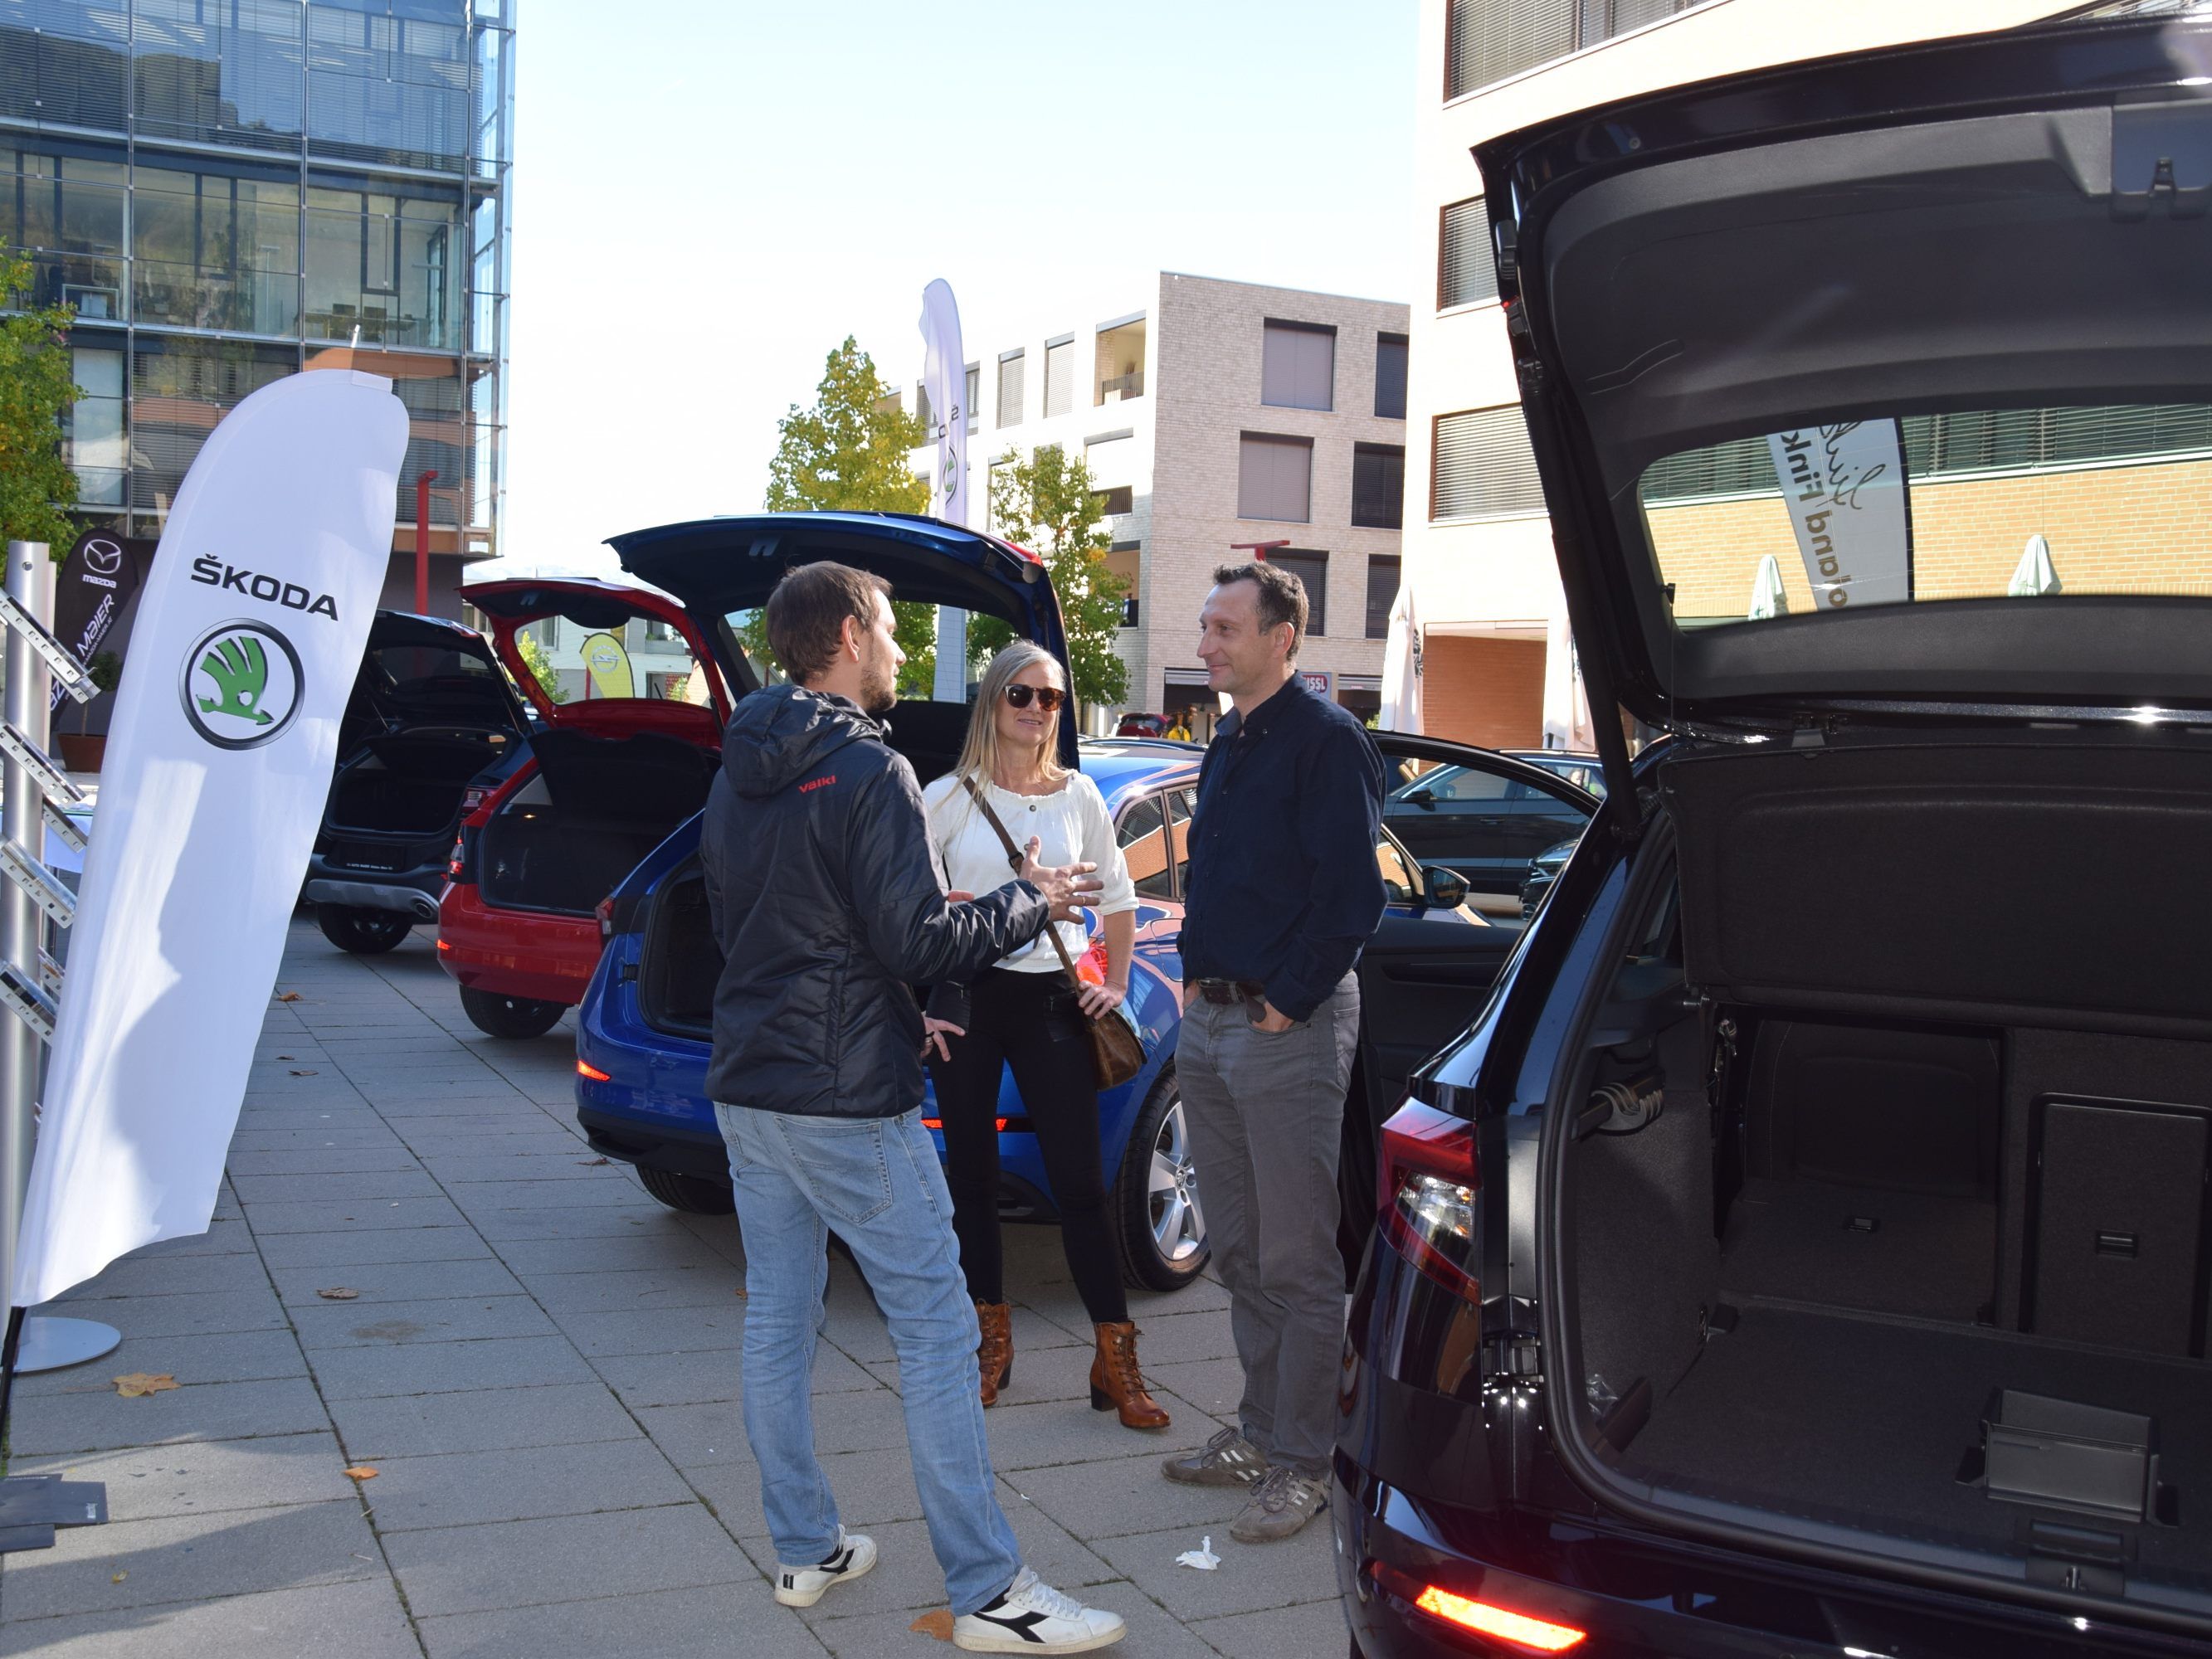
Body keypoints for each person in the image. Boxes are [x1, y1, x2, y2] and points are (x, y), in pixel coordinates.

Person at [700, 562, 1126, 1653]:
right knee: (938, 1329)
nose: (894, 650)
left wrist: (897, 1007)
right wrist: (1029, 897)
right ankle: (991, 1592)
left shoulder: (737, 767)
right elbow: (915, 939)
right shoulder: (870, 769)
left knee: (776, 1319)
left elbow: (761, 924)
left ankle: (805, 1550)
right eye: (888, 629)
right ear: (845, 635)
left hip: (751, 1085)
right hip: (846, 1101)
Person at [1158, 561, 1386, 1544]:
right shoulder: (1228, 739)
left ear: (1279, 638)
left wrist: (1283, 1006)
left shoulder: (1324, 743)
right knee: (1240, 1247)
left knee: (1296, 1259)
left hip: (1279, 1026)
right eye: (1205, 625)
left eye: (1223, 627)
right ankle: (1258, 1433)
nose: (1205, 642)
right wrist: (1193, 980)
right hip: (1209, 1023)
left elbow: (1353, 901)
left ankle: (1303, 1460)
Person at [920, 641, 1167, 1431]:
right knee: (972, 1176)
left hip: (1053, 996)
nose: (1036, 711)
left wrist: (1116, 982)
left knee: (1082, 1184)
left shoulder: (1079, 797)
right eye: (1020, 695)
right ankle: (989, 1342)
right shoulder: (945, 798)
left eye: (1051, 699)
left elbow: (1122, 898)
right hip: (967, 997)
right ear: (992, 701)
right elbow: (913, 916)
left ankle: (1115, 1356)